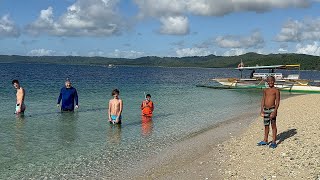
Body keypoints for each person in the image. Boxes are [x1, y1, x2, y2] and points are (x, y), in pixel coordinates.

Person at [258, 76, 280, 148]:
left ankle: (273, 141)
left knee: (273, 125)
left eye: (272, 81)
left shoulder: (276, 90)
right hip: (265, 110)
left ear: (274, 81)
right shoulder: (265, 90)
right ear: (267, 82)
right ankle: (265, 140)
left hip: (272, 109)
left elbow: (277, 102)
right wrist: (261, 110)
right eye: (269, 81)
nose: (270, 82)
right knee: (266, 125)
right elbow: (263, 100)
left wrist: (275, 111)